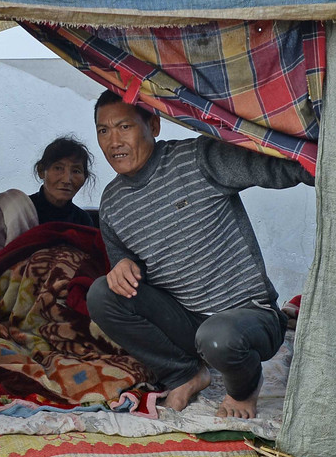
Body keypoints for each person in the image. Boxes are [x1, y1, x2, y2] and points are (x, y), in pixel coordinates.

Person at [85, 92, 311, 419]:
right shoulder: (112, 204)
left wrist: (321, 163)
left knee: (217, 338)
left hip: (250, 316)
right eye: (103, 131)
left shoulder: (196, 159)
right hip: (188, 324)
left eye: (124, 126)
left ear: (154, 124)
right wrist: (121, 265)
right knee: (102, 293)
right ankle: (185, 374)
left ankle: (244, 388)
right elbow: (125, 269)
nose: (113, 141)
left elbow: (270, 166)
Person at [0, 137, 97, 319]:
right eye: (58, 168)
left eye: (76, 171)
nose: (67, 179)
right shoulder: (15, 210)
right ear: (41, 171)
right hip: (4, 294)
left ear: (84, 179)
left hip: (51, 303)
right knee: (8, 198)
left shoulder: (83, 221)